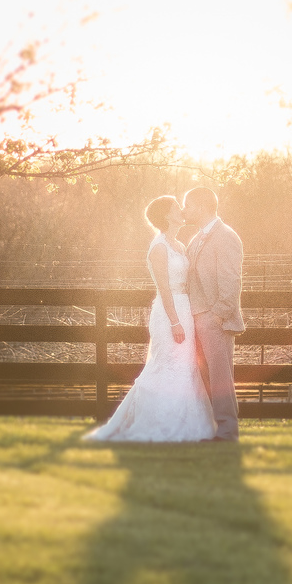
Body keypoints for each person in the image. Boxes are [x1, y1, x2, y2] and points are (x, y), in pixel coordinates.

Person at [82, 195, 217, 442]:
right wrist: (175, 321)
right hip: (168, 314)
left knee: (186, 367)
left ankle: (185, 424)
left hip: (185, 309)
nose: (182, 210)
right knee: (166, 364)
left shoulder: (179, 244)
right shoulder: (158, 247)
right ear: (167, 215)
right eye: (177, 207)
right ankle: (157, 424)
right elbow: (164, 289)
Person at [180, 184, 246, 441]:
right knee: (203, 377)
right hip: (195, 319)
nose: (185, 211)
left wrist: (217, 316)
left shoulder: (226, 236)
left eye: (188, 205)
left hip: (214, 320)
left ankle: (228, 430)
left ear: (202, 206)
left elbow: (231, 280)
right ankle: (210, 428)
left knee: (221, 378)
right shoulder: (196, 238)